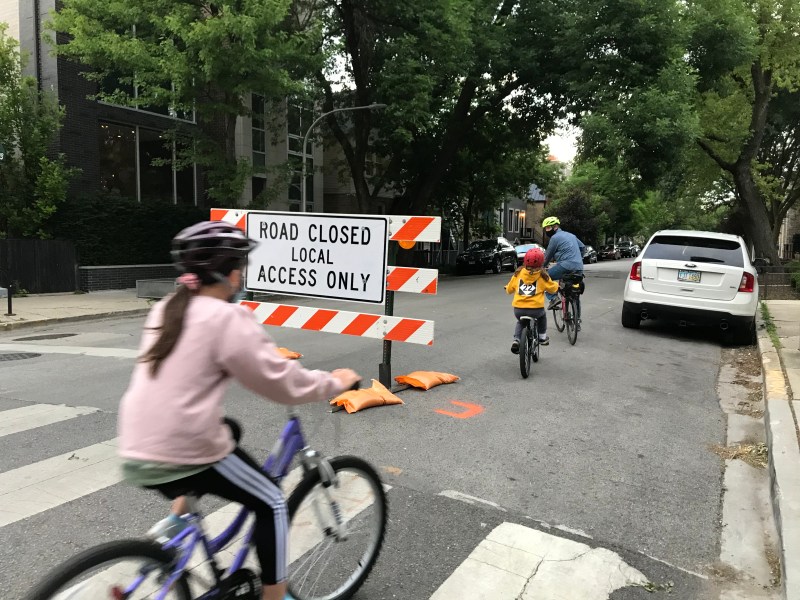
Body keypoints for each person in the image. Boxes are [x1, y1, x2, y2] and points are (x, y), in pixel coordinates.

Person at [117, 221, 361, 600]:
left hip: (137, 443)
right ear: (230, 273)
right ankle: (274, 596)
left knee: (228, 429)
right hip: (183, 445)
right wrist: (336, 381)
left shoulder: (167, 308)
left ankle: (174, 530)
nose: (242, 276)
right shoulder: (225, 318)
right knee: (272, 502)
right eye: (241, 268)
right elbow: (283, 384)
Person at [505, 247, 559, 353]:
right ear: (541, 263)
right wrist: (557, 286)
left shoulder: (518, 273)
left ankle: (516, 340)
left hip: (519, 309)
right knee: (542, 317)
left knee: (520, 322)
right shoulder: (542, 276)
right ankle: (542, 337)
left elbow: (510, 289)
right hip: (536, 310)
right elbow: (552, 288)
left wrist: (506, 288)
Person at [540, 216, 585, 313]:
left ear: (555, 227)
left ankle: (553, 298)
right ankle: (577, 320)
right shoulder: (571, 235)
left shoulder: (555, 238)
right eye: (545, 228)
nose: (546, 230)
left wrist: (542, 268)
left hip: (565, 266)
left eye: (548, 228)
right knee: (575, 294)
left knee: (544, 277)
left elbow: (547, 256)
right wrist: (578, 259)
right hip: (579, 267)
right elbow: (583, 247)